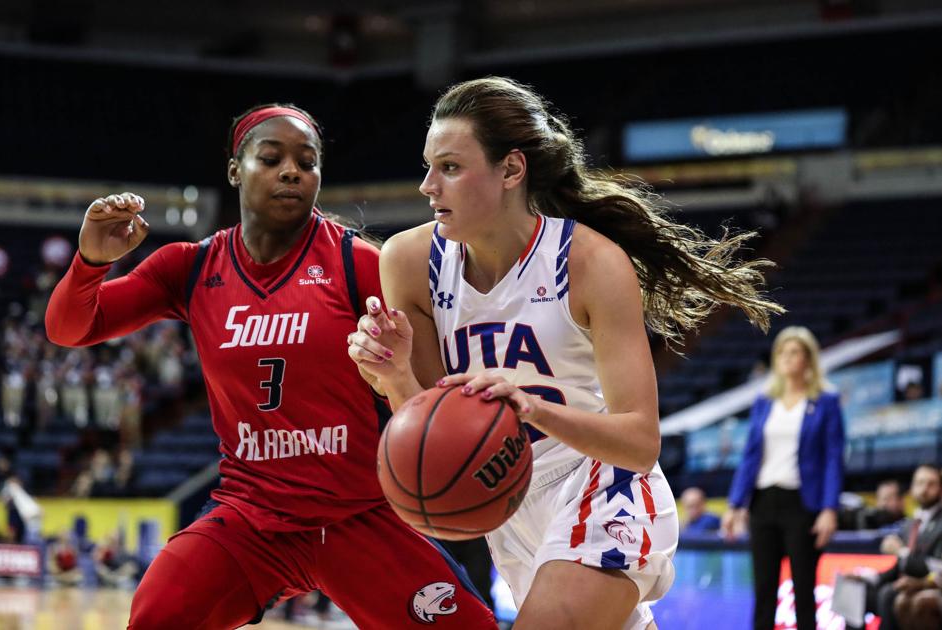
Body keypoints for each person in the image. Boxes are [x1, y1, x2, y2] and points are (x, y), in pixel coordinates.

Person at [348, 76, 781, 629]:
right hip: (510, 502)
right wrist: (394, 376)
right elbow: (440, 435)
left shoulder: (590, 261)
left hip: (603, 485)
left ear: (511, 170)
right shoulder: (408, 261)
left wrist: (532, 408)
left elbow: (640, 442)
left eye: (451, 167)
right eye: (429, 166)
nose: (428, 185)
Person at [45, 103, 496, 629]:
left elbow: (429, 390)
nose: (292, 171)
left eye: (307, 162)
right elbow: (70, 328)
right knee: (156, 615)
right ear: (236, 169)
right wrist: (90, 264)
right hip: (249, 519)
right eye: (272, 157)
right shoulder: (191, 268)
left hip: (358, 513)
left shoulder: (360, 265)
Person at [722, 326, 845, 630]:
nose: (786, 358)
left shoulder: (826, 402)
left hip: (802, 505)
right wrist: (735, 504)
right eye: (781, 352)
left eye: (794, 352)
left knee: (804, 592)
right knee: (764, 592)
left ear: (808, 359)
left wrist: (829, 509)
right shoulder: (764, 402)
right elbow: (750, 456)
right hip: (763, 503)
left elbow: (833, 458)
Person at [846, 465, 942, 630]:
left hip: (925, 583)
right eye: (919, 483)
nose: (924, 489)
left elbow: (935, 566)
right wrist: (869, 577)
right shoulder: (910, 524)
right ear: (911, 488)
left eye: (931, 484)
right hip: (901, 583)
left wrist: (901, 552)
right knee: (853, 589)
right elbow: (898, 567)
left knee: (888, 593)